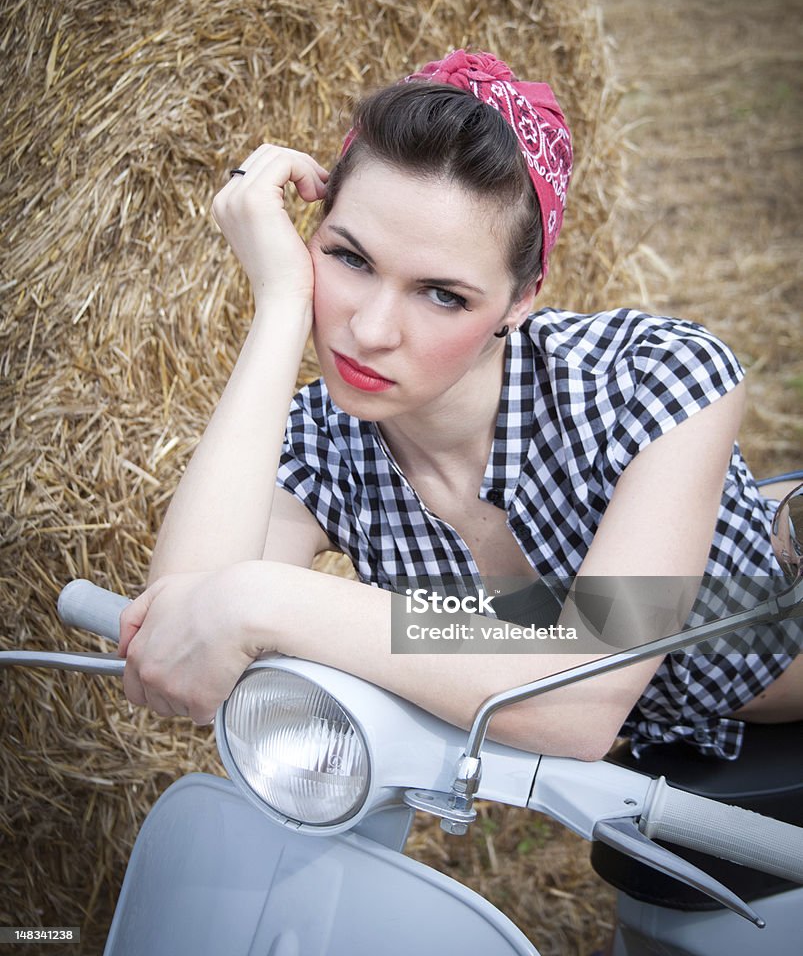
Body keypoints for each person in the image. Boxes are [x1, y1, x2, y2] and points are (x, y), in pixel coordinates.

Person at [117, 50, 803, 761]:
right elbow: (178, 630)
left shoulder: (651, 378)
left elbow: (579, 697)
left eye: (442, 294)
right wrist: (280, 308)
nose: (370, 331)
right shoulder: (322, 443)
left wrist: (266, 601)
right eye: (349, 258)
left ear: (521, 299)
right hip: (656, 780)